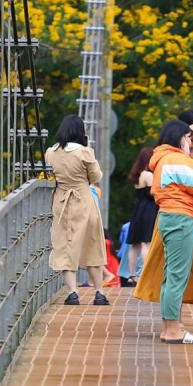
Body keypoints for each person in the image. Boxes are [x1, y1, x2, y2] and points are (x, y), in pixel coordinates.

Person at [134, 111, 193, 341]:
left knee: (171, 276)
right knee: (177, 276)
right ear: (179, 138)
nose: (191, 140)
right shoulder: (178, 161)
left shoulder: (162, 158)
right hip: (182, 219)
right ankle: (173, 330)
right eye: (188, 136)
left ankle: (170, 328)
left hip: (171, 216)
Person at [45, 115, 110, 306]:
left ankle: (73, 293)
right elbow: (96, 176)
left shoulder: (51, 152)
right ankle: (99, 293)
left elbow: (50, 174)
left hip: (62, 201)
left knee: (65, 247)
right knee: (93, 245)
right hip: (84, 201)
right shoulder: (85, 152)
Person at [122, 147, 157, 286]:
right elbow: (156, 193)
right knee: (147, 242)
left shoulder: (137, 175)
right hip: (150, 209)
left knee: (135, 243)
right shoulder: (149, 175)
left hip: (138, 210)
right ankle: (145, 274)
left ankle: (131, 275)